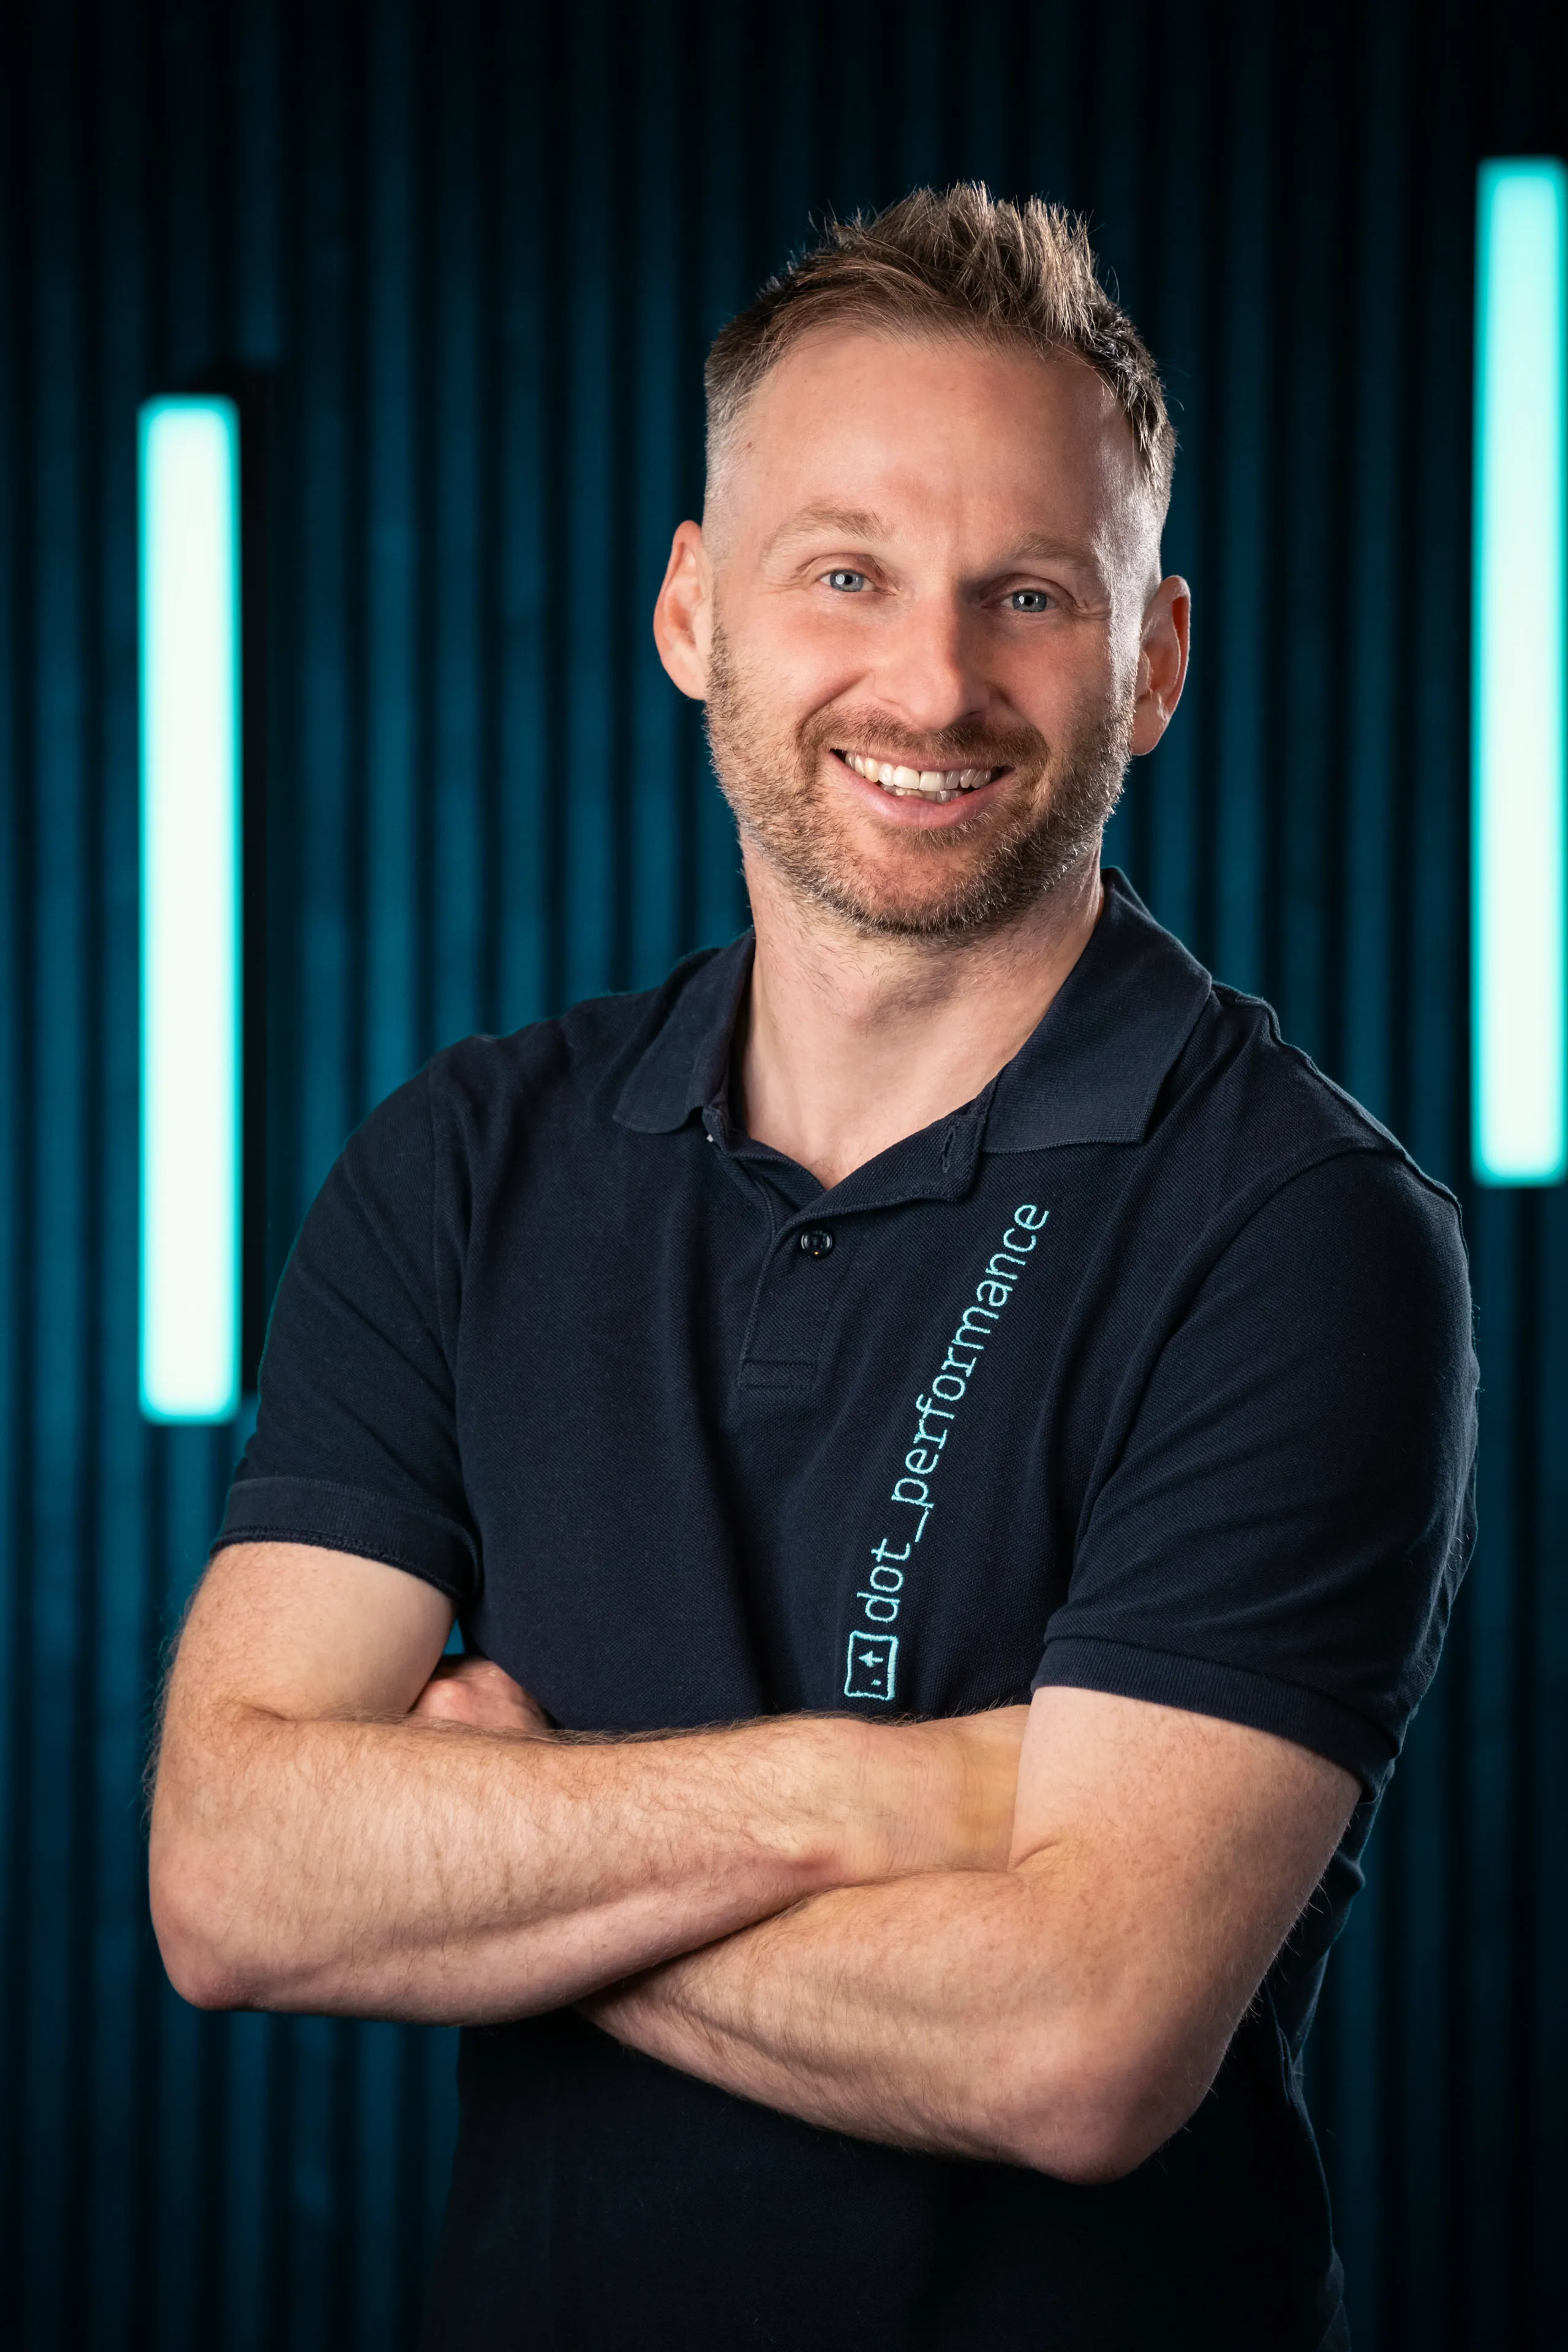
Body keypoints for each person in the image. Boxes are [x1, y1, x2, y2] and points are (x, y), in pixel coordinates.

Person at [149, 186, 1476, 2351]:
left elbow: (1077, 2045)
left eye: (1029, 594)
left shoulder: (1301, 1233)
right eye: (843, 572)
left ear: (1153, 659)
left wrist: (485, 1856)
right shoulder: (464, 1163)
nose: (932, 682)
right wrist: (884, 1798)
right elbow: (228, 1878)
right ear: (695, 611)